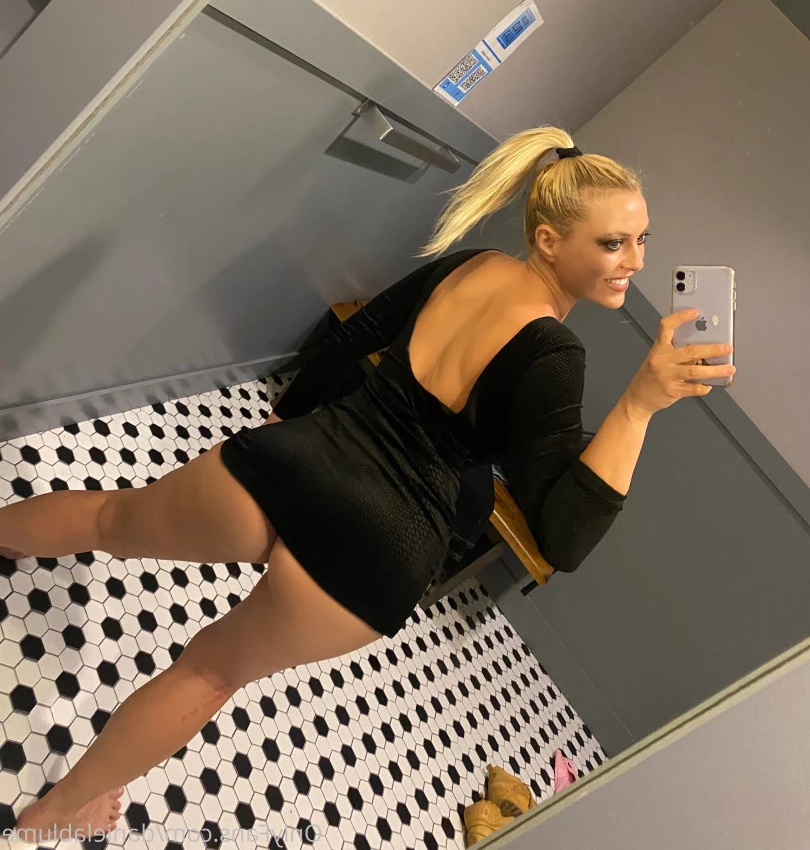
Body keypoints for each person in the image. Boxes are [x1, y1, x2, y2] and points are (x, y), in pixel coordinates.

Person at [2, 126, 734, 843]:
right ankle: (52, 813)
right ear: (549, 240)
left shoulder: (472, 265)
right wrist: (638, 405)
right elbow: (563, 538)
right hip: (377, 547)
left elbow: (357, 335)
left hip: (301, 459)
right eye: (613, 243)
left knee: (110, 518)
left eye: (641, 240)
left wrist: (286, 419)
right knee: (208, 673)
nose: (634, 261)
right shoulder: (555, 353)